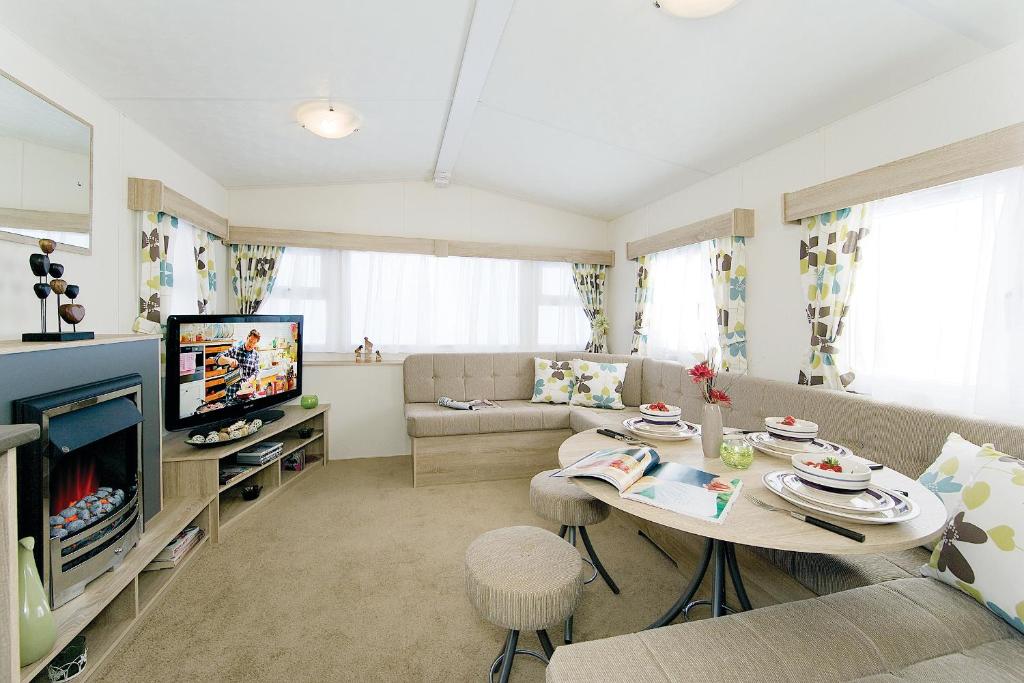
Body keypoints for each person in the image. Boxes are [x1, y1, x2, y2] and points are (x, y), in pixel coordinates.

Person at [216, 329, 261, 402]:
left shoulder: (256, 355)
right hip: (232, 393)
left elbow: (256, 371)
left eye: (254, 343)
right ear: (247, 338)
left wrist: (250, 380)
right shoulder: (235, 350)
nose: (251, 344)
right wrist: (229, 360)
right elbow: (217, 358)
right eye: (250, 341)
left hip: (247, 392)